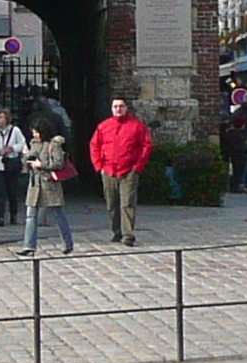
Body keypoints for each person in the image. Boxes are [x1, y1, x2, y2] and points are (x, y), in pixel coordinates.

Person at [88, 98, 153, 246]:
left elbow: (146, 146)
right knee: (112, 204)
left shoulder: (136, 126)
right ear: (111, 108)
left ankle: (128, 235)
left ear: (126, 108)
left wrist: (137, 167)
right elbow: (94, 146)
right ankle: (116, 231)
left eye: (121, 106)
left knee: (127, 203)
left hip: (128, 171)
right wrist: (99, 166)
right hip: (109, 170)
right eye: (115, 106)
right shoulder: (104, 126)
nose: (118, 109)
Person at [21, 126, 76, 257]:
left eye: (36, 132)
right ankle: (29, 246)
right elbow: (26, 163)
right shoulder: (33, 144)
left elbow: (58, 163)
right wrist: (26, 158)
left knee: (59, 215)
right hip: (35, 184)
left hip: (49, 184)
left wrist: (42, 165)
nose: (34, 135)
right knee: (31, 216)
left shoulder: (53, 145)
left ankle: (68, 244)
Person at [0, 116, 28, 228]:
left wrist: (11, 148)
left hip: (11, 165)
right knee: (0, 192)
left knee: (12, 191)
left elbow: (22, 144)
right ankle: (1, 216)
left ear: (7, 119)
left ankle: (13, 215)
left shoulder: (15, 131)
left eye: (1, 118)